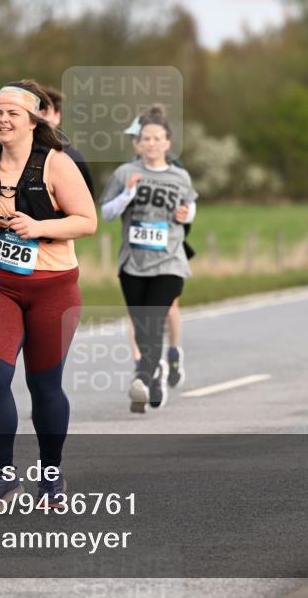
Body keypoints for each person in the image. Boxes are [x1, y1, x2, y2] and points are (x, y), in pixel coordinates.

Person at [0, 80, 95, 513]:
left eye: (13, 113)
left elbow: (86, 221)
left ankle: (51, 477)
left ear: (34, 122)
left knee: (44, 386)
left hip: (53, 286)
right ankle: (2, 479)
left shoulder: (57, 165)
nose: (3, 120)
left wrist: (39, 228)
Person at [100, 105, 197, 413]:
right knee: (142, 324)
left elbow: (190, 206)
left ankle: (143, 374)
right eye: (146, 139)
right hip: (133, 263)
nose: (152, 143)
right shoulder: (125, 174)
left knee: (155, 318)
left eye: (157, 139)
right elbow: (105, 213)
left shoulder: (179, 176)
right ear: (137, 143)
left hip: (169, 261)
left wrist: (186, 214)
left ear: (168, 143)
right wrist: (127, 195)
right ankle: (154, 374)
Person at [123, 115, 193, 387]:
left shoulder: (174, 167)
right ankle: (143, 363)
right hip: (137, 252)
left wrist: (182, 219)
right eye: (136, 138)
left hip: (169, 247)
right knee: (137, 313)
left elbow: (188, 207)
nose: (138, 142)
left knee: (168, 306)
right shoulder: (129, 171)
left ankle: (173, 351)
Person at [41, 86, 95, 198]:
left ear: (57, 117)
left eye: (45, 110)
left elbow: (88, 201)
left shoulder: (72, 156)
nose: (39, 116)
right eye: (34, 110)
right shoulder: (5, 150)